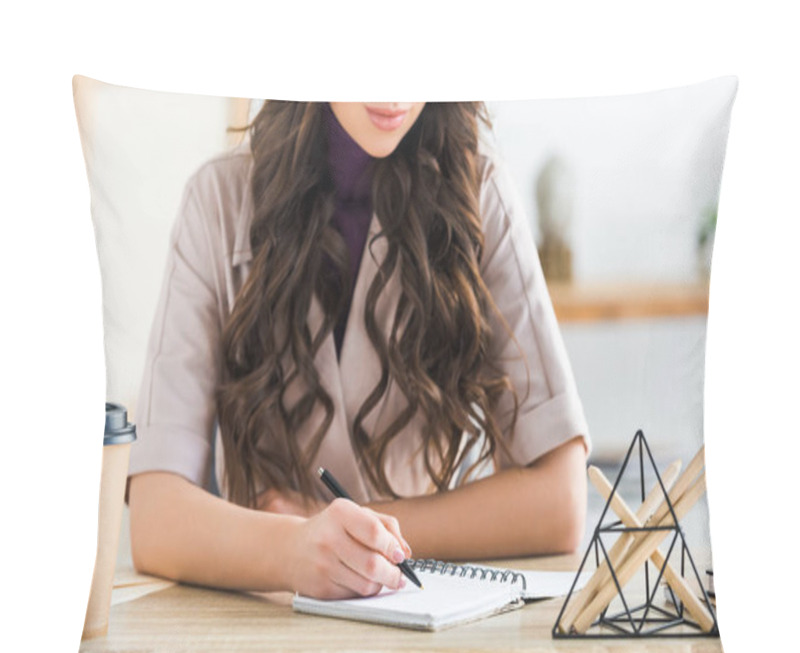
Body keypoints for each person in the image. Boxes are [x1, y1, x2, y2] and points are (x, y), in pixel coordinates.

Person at [127, 101, 590, 600]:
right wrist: (291, 549)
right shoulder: (217, 199)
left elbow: (560, 500)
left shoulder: (481, 194)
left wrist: (346, 531)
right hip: (267, 633)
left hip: (423, 619)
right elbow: (155, 516)